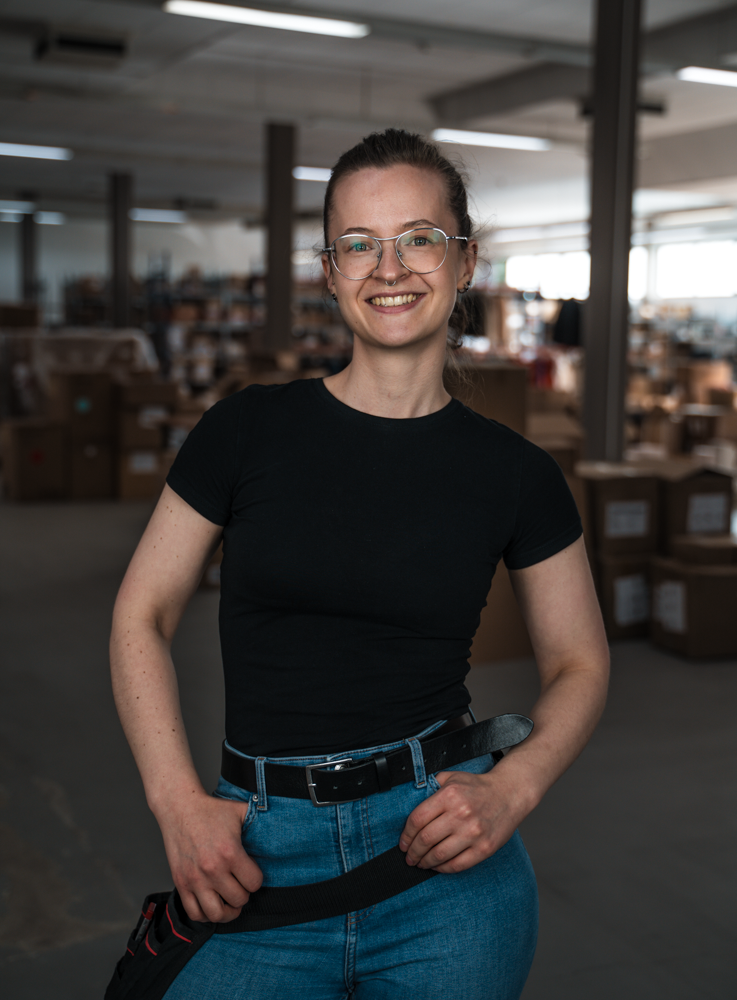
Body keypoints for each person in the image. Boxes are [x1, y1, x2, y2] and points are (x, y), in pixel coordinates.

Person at [110, 128, 609, 1000]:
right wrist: (175, 803)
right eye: (359, 245)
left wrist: (514, 788)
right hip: (251, 853)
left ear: (463, 263)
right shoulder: (246, 430)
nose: (390, 268)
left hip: (440, 863)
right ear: (329, 270)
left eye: (418, 238)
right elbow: (140, 614)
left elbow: (579, 662)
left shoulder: (515, 473)